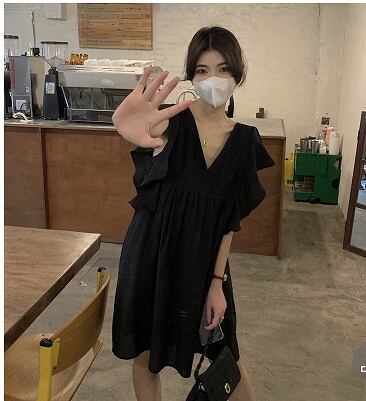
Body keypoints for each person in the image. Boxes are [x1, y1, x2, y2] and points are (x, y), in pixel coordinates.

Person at [111, 26, 275, 401]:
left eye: (223, 69)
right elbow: (140, 128)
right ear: (191, 76)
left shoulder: (244, 141)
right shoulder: (171, 122)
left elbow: (230, 221)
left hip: (204, 263)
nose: (212, 79)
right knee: (146, 355)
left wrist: (217, 283)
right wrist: (121, 123)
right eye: (202, 70)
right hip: (152, 255)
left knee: (226, 356)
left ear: (238, 75)